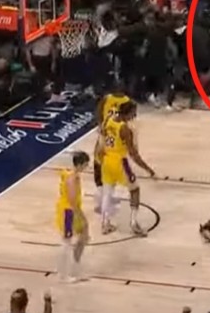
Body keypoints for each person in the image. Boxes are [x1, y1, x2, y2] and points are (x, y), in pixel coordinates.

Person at [99, 101, 155, 236]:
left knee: (107, 192)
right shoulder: (125, 129)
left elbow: (101, 136)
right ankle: (134, 224)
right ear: (128, 113)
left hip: (107, 160)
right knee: (135, 190)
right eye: (133, 113)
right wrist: (148, 169)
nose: (134, 115)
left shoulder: (108, 120)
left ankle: (105, 224)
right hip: (120, 162)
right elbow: (133, 154)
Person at [93, 86, 131, 214]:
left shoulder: (124, 102)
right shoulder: (107, 99)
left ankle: (104, 198)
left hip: (109, 137)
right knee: (100, 164)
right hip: (110, 143)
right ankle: (102, 196)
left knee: (103, 166)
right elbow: (99, 111)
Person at [57, 151, 92, 283]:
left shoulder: (71, 174)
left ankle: (75, 269)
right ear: (80, 164)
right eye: (86, 164)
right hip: (68, 212)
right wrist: (82, 216)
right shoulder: (72, 178)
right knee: (67, 242)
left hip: (71, 210)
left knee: (83, 237)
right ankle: (63, 274)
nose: (87, 167)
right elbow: (72, 201)